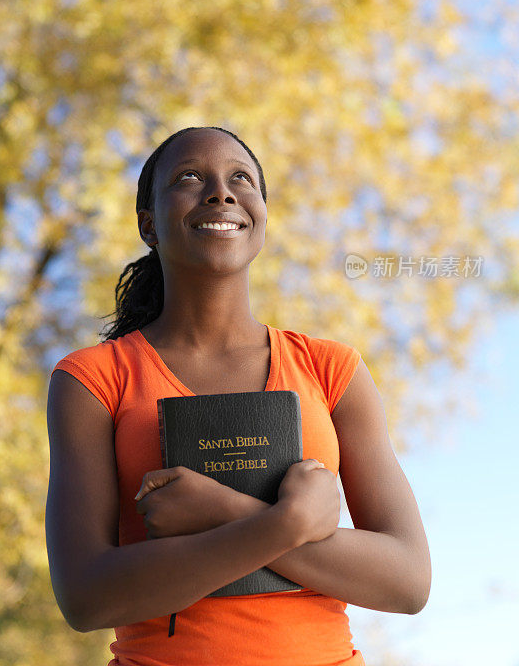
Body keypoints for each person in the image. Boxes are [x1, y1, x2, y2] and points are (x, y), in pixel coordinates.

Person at [45, 126, 431, 666]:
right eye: (189, 178)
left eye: (240, 178)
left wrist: (219, 510)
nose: (220, 193)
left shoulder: (332, 369)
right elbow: (86, 598)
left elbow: (408, 582)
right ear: (148, 225)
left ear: (262, 216)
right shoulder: (92, 379)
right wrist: (289, 521)